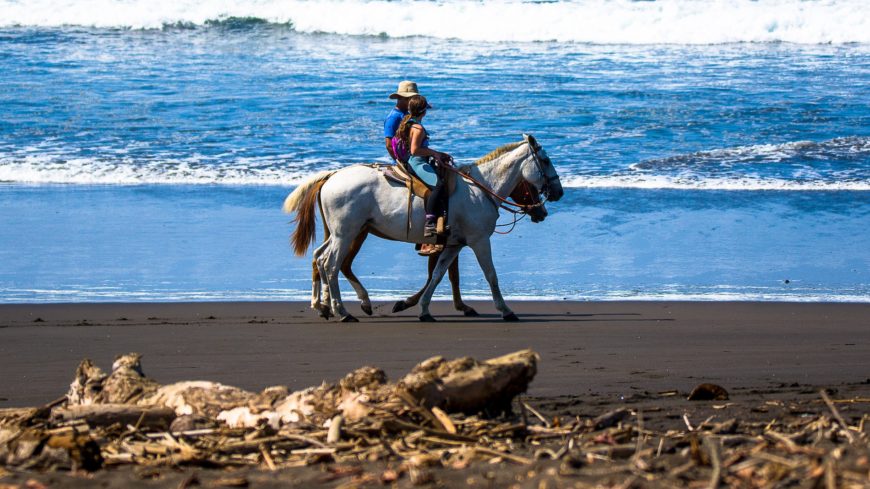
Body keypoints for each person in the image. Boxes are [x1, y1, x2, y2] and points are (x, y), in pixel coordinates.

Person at [393, 95, 453, 255]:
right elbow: (415, 150)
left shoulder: (410, 122)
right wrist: (435, 153)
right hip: (417, 162)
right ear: (424, 111)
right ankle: (430, 222)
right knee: (438, 186)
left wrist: (438, 154)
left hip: (419, 159)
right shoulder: (418, 128)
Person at [384, 81, 420, 160]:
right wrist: (401, 162)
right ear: (400, 98)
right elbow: (389, 145)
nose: (413, 101)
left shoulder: (407, 113)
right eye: (410, 98)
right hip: (404, 160)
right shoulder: (393, 118)